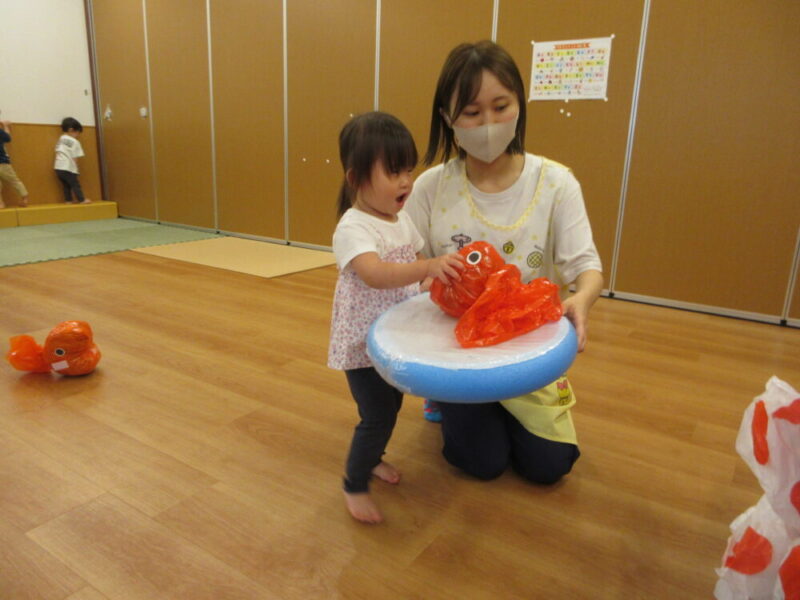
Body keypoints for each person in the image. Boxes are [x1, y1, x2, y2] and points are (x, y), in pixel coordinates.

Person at [405, 41, 604, 485]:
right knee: (483, 463)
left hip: (526, 345)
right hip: (458, 348)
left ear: (519, 105)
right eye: (472, 112)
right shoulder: (431, 187)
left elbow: (586, 266)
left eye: (500, 107)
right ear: (447, 117)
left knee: (549, 466)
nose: (489, 124)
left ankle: (495, 413)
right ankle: (446, 401)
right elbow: (411, 262)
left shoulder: (556, 183)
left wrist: (583, 299)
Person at [328, 111, 463, 524]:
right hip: (363, 344)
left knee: (393, 404)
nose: (406, 181)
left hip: (394, 337)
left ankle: (373, 458)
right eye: (393, 172)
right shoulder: (353, 227)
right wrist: (426, 268)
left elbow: (419, 264)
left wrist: (440, 282)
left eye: (408, 169)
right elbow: (376, 273)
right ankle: (354, 482)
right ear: (356, 179)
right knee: (377, 415)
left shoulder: (401, 219)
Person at [54, 117, 90, 204]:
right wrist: (76, 169)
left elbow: (57, 151)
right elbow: (75, 157)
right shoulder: (75, 142)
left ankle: (68, 200)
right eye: (77, 133)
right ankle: (81, 199)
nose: (78, 135)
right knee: (75, 184)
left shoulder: (61, 139)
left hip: (58, 167)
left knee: (66, 185)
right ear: (71, 130)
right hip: (68, 167)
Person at [0, 119, 30, 208]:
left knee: (13, 180)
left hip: (3, 162)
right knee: (14, 180)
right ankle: (24, 197)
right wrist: (6, 126)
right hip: (3, 162)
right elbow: (8, 138)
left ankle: (1, 203)